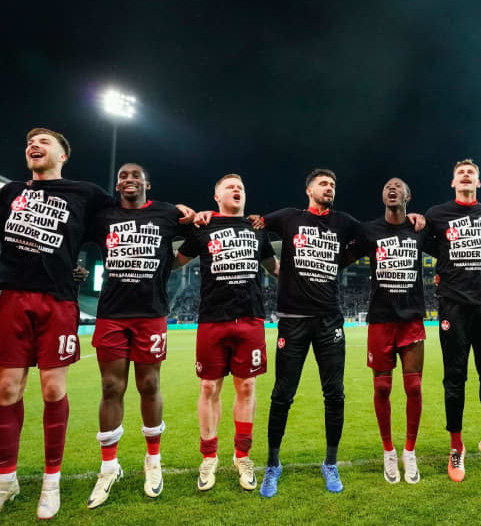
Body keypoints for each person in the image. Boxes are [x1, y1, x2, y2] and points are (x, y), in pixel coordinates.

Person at [0, 128, 114, 519]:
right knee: (6, 389)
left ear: (63, 156)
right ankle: (6, 479)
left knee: (52, 390)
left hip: (59, 299)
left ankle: (51, 482)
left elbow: (124, 216)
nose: (33, 145)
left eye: (44, 142)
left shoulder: (86, 193)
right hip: (12, 296)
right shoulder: (10, 191)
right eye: (30, 141)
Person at [85, 163, 196, 508]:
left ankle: (153, 461)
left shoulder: (166, 213)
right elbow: (72, 233)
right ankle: (108, 467)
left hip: (151, 314)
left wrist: (172, 262)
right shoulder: (103, 215)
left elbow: (198, 233)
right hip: (112, 313)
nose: (128, 179)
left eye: (135, 175)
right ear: (117, 185)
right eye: (122, 175)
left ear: (147, 182)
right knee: (110, 387)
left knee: (149, 385)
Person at [258, 169, 364, 496]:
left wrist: (339, 261)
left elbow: (371, 237)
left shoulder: (343, 221)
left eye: (333, 184)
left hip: (329, 321)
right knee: (282, 395)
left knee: (335, 395)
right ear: (309, 189)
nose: (329, 187)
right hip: (292, 319)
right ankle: (273, 465)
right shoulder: (290, 218)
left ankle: (330, 464)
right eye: (323, 183)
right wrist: (275, 268)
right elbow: (255, 225)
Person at [174, 174, 277, 492]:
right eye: (231, 187)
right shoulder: (203, 227)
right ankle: (209, 456)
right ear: (216, 195)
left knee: (246, 387)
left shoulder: (256, 229)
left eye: (242, 187)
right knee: (208, 388)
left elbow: (275, 268)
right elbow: (176, 262)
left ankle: (242, 456)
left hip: (250, 319)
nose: (237, 190)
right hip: (212, 320)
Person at [424, 159, 481, 482]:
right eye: (460, 172)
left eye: (472, 172)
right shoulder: (436, 215)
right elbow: (429, 246)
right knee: (454, 379)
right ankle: (455, 448)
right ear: (453, 181)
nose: (466, 174)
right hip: (453, 307)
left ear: (479, 182)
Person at [344, 178, 426, 484]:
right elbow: (343, 258)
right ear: (383, 196)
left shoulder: (420, 229)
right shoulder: (370, 231)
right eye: (387, 186)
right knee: (382, 389)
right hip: (380, 319)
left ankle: (409, 451)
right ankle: (389, 451)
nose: (391, 188)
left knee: (414, 388)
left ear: (407, 195)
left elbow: (447, 245)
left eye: (398, 186)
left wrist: (425, 218)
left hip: (412, 319)